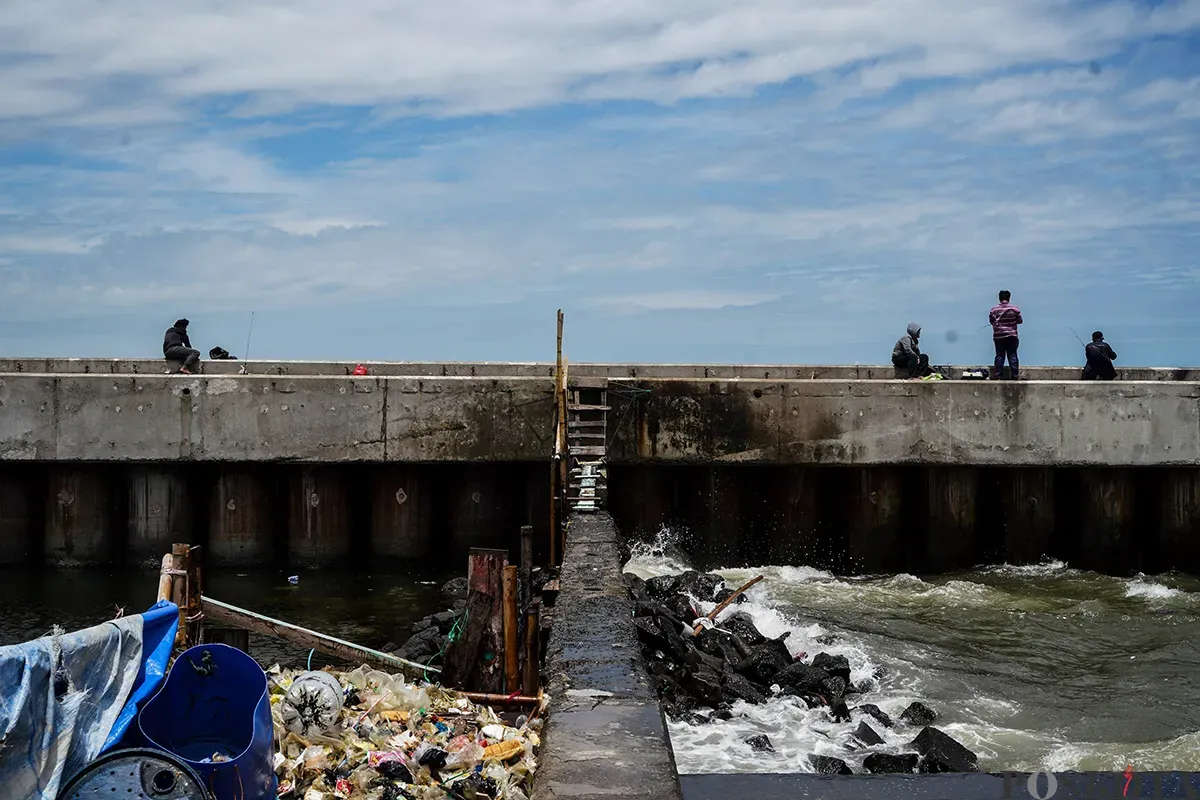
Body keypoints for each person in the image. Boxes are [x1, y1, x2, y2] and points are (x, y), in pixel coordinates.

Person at [989, 290, 1023, 380]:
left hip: (999, 336)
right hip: (1012, 335)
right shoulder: (1015, 309)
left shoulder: (994, 310)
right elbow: (1020, 321)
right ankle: (1015, 375)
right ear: (1009, 298)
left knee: (1000, 355)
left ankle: (998, 375)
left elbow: (991, 321)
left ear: (999, 298)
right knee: (1012, 354)